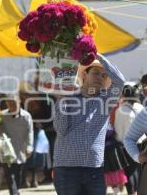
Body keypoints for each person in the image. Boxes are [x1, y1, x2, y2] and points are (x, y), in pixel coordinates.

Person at [53, 53, 125, 195]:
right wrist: (61, 101)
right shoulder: (67, 97)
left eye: (104, 76)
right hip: (66, 169)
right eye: (96, 73)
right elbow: (61, 131)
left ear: (107, 82)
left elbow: (120, 81)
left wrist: (99, 57)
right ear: (85, 75)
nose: (100, 78)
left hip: (94, 168)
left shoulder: (106, 100)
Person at [0, 94, 33, 195]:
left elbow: (30, 132)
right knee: (9, 175)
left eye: (13, 103)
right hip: (7, 150)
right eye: (9, 103)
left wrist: (29, 147)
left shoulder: (26, 116)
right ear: (6, 104)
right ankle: (13, 192)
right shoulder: (2, 115)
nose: (11, 105)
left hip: (20, 149)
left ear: (19, 102)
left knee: (18, 174)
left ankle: (16, 190)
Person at [115, 85, 144, 195]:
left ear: (123, 95)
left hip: (126, 145)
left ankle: (132, 192)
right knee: (140, 170)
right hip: (142, 144)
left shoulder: (120, 110)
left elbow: (118, 131)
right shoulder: (140, 107)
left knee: (130, 171)